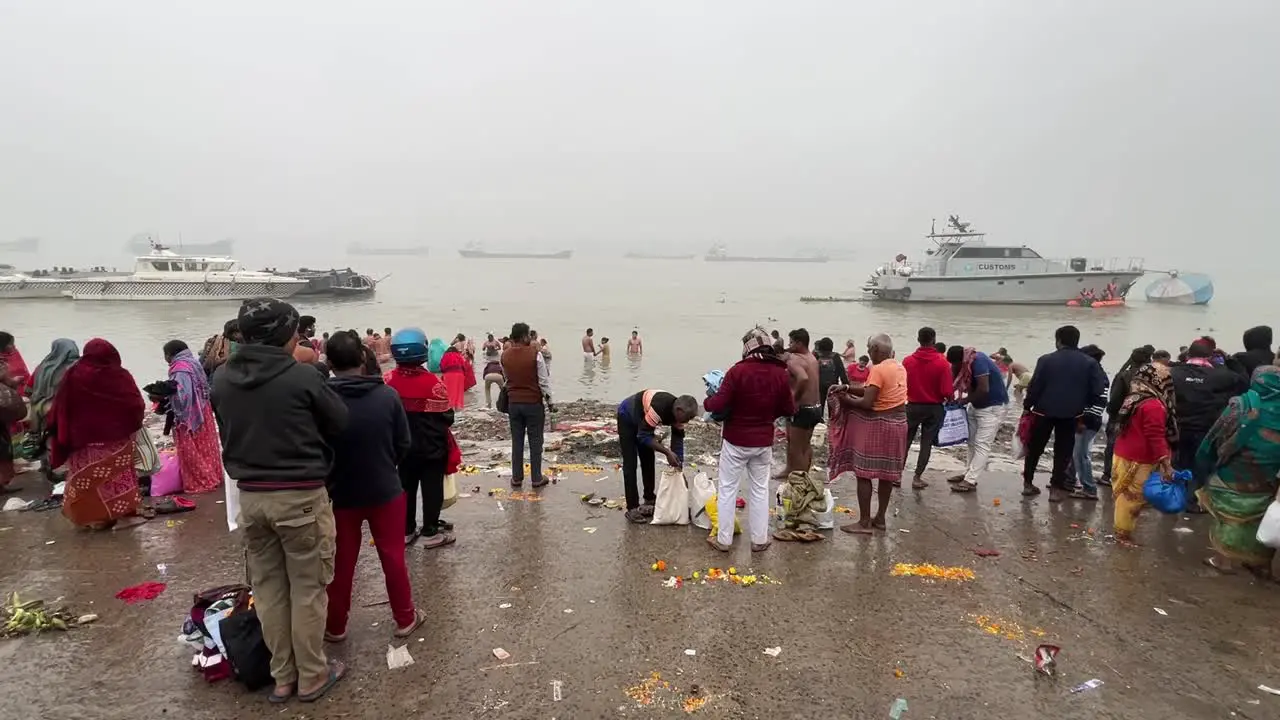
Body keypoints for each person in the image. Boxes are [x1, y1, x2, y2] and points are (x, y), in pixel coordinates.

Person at [211, 297, 350, 703]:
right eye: (295, 332)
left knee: (269, 589)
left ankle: (283, 677)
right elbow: (339, 422)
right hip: (300, 496)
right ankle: (312, 676)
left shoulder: (221, 378)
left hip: (251, 498)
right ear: (284, 336)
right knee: (308, 588)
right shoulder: (302, 377)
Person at [322, 332, 426, 642]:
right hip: (384, 489)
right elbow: (402, 444)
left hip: (339, 493)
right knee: (393, 557)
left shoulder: (322, 399)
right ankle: (405, 619)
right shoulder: (387, 396)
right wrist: (384, 462)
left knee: (341, 564)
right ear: (363, 360)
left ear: (329, 363)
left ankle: (336, 626)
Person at [703, 328, 796, 550]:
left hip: (736, 441)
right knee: (760, 490)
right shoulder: (780, 373)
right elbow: (789, 408)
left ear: (747, 348)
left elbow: (717, 405)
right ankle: (759, 540)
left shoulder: (737, 372)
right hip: (763, 442)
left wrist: (708, 402)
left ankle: (724, 540)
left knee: (727, 489)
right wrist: (767, 417)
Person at [49, 339, 146, 530]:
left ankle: (91, 518)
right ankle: (122, 516)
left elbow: (60, 407)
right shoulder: (118, 375)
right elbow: (135, 404)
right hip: (114, 439)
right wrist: (131, 424)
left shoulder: (73, 375)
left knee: (87, 481)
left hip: (81, 440)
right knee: (117, 478)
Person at [1197, 366, 1280, 575]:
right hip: (1269, 478)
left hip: (1234, 474)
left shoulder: (1242, 405)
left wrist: (1205, 461)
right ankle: (1262, 564)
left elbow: (1216, 436)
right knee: (1262, 518)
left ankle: (1222, 560)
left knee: (1226, 516)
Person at [385, 328, 460, 548]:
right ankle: (430, 532)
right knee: (431, 488)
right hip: (432, 447)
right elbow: (448, 417)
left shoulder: (387, 381)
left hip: (401, 448)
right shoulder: (434, 384)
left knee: (405, 487)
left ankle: (406, 530)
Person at [829, 334, 908, 534]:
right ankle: (880, 518)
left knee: (863, 473)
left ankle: (864, 522)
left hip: (880, 425)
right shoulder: (899, 367)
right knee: (886, 475)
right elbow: (871, 390)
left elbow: (867, 402)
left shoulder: (879, 369)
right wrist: (847, 387)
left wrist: (845, 400)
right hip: (898, 424)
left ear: (874, 350)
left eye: (869, 348)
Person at [1022, 325, 1107, 502]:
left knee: (1035, 448)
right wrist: (1083, 405)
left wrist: (1027, 405)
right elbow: (1097, 390)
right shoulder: (1089, 363)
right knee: (1063, 452)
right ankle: (1055, 489)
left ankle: (1028, 484)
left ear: (1058, 340)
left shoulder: (1045, 360)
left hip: (1042, 411)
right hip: (1071, 414)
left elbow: (1035, 386)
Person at [1170, 340, 1248, 512]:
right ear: (1211, 356)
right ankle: (1192, 502)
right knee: (1200, 466)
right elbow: (1244, 382)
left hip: (1178, 428)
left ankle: (1174, 498)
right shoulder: (1220, 376)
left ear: (1188, 354)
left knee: (1179, 463)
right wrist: (1229, 359)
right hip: (1205, 429)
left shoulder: (1174, 373)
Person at [1109, 364, 1177, 544]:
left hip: (1123, 452)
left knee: (1124, 496)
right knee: (1131, 499)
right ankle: (1122, 535)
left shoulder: (1135, 397)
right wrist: (1166, 463)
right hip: (1138, 459)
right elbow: (1155, 436)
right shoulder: (1154, 405)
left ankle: (1121, 532)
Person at [616, 390, 698, 523]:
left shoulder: (679, 415)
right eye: (687, 418)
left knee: (648, 458)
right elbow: (643, 436)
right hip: (628, 416)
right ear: (679, 410)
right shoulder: (659, 408)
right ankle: (632, 508)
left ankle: (649, 498)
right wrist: (666, 452)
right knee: (630, 463)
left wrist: (679, 467)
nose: (687, 421)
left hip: (644, 421)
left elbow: (677, 442)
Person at [945, 345, 1009, 492]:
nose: (955, 367)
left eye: (956, 364)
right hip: (976, 405)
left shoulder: (978, 361)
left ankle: (971, 480)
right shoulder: (965, 362)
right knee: (971, 441)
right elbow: (954, 379)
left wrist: (964, 401)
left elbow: (984, 388)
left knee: (982, 444)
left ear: (962, 360)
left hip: (993, 406)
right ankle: (968, 473)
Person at [164, 340, 224, 494]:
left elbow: (184, 396)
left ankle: (203, 480)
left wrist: (165, 395)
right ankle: (214, 476)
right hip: (204, 410)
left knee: (193, 452)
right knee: (206, 448)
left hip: (191, 416)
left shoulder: (180, 369)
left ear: (170, 355)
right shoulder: (193, 363)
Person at [901, 327, 953, 489]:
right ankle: (917, 477)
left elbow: (902, 385)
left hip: (912, 406)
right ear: (934, 340)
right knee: (926, 442)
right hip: (934, 408)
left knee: (905, 441)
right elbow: (946, 391)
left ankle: (897, 475)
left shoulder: (907, 361)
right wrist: (951, 399)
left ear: (918, 340)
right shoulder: (942, 362)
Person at [502, 323, 552, 489]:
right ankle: (536, 478)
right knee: (535, 441)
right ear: (524, 337)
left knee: (517, 441)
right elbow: (543, 381)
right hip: (532, 404)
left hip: (514, 404)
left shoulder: (505, 355)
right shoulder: (535, 355)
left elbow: (507, 379)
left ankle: (516, 478)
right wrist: (550, 402)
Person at [1102, 346, 1154, 486]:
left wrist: (1112, 413)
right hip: (1145, 418)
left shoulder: (1124, 375)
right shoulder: (1154, 377)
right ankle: (1135, 476)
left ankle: (1109, 475)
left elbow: (1115, 399)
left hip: (1121, 417)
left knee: (1113, 447)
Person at [777, 329, 821, 479]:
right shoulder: (811, 357)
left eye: (791, 342)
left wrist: (794, 398)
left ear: (799, 343)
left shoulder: (794, 360)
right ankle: (789, 469)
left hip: (803, 408)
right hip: (815, 407)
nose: (789, 345)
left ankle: (802, 480)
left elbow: (803, 378)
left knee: (798, 448)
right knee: (798, 442)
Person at [1072, 344, 1109, 499]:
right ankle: (1086, 485)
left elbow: (1089, 401)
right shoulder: (1100, 374)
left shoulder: (1093, 376)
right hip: (1093, 419)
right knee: (1082, 453)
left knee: (1081, 455)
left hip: (1087, 420)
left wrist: (1081, 420)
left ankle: (1089, 487)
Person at [26, 338, 80, 444]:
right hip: (69, 413)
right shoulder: (79, 367)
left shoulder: (42, 367)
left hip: (42, 412)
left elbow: (28, 390)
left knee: (47, 444)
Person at [814, 337, 850, 420]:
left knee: (819, 407)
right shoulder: (835, 356)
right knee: (833, 410)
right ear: (832, 346)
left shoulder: (817, 356)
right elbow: (842, 372)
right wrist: (847, 386)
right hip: (833, 387)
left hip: (819, 386)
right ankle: (831, 425)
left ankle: (819, 424)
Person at [439, 341, 471, 410]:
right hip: (460, 375)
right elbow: (464, 366)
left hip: (449, 375)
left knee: (449, 392)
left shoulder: (445, 356)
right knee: (458, 392)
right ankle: (457, 409)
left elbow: (442, 367)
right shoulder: (458, 356)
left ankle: (450, 408)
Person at [481, 334, 505, 408]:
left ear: (493, 337)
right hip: (489, 355)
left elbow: (499, 348)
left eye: (491, 337)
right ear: (488, 338)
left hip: (494, 354)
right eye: (489, 338)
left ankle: (489, 404)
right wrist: (485, 347)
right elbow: (483, 349)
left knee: (487, 389)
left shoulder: (495, 342)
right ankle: (503, 402)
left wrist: (495, 348)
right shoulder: (486, 342)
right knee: (503, 389)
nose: (490, 338)